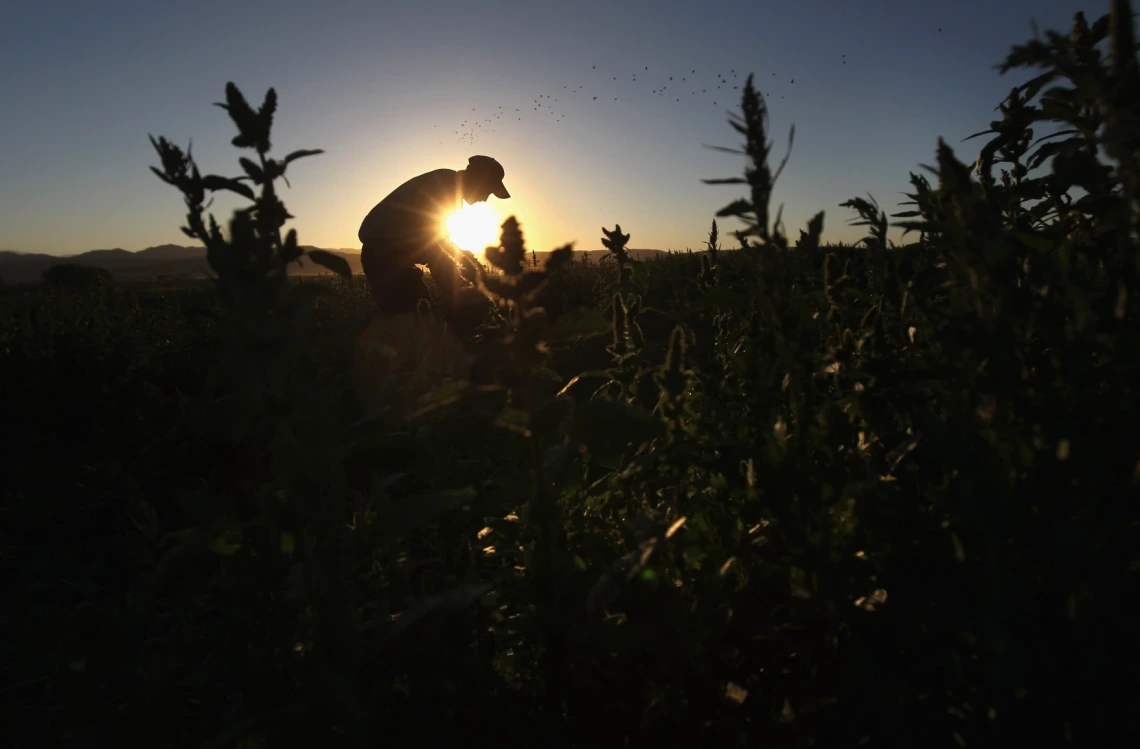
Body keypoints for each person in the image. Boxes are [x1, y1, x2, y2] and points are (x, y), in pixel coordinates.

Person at [358, 155, 510, 317]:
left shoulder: (449, 187)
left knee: (423, 320)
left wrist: (472, 268)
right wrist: (462, 289)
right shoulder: (443, 187)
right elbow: (433, 247)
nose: (485, 199)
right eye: (488, 190)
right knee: (416, 322)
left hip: (390, 258)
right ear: (478, 181)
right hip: (383, 258)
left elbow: (439, 243)